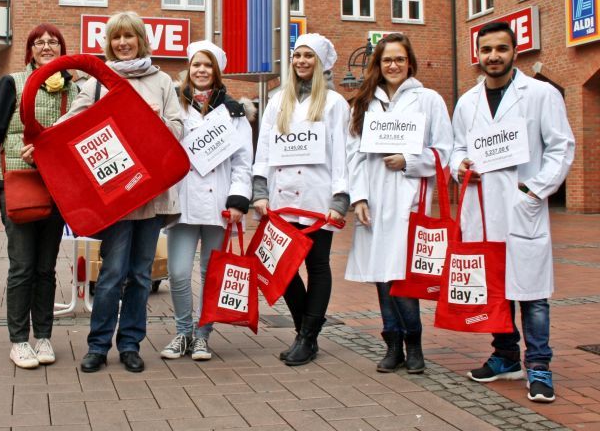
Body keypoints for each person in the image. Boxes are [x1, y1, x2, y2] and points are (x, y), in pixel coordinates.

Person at [451, 21, 574, 403]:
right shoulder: (467, 102)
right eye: (486, 50)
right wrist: (460, 166)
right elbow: (456, 148)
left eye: (501, 49)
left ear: (514, 51)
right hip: (483, 209)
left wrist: (534, 191)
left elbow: (561, 147)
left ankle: (538, 365)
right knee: (495, 289)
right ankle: (505, 357)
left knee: (533, 296)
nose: (493, 56)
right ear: (477, 55)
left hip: (522, 208)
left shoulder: (539, 94)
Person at [57, 11, 183, 373]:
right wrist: (44, 142)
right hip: (115, 195)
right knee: (111, 274)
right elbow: (71, 123)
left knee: (141, 275)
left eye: (129, 37)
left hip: (151, 194)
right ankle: (98, 346)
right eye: (116, 38)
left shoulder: (162, 81)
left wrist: (152, 122)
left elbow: (178, 127)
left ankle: (130, 344)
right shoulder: (97, 82)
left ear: (141, 40)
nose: (123, 43)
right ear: (109, 43)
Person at [344, 33, 453, 374]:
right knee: (382, 275)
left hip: (408, 199)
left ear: (410, 63)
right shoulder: (364, 103)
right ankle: (393, 344)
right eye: (387, 59)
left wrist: (407, 160)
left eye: (400, 59)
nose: (393, 65)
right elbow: (353, 156)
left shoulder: (429, 100)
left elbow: (444, 151)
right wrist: (358, 197)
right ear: (377, 64)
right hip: (374, 199)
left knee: (404, 276)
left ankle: (414, 343)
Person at [0, 23, 77, 369]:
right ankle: (19, 340)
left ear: (62, 50)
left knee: (46, 269)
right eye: (40, 42)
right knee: (22, 266)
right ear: (30, 50)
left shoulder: (74, 89)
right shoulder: (12, 83)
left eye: (54, 42)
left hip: (56, 188)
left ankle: (44, 336)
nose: (47, 47)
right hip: (17, 185)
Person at [252, 33, 350, 366]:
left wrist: (339, 200)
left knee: (317, 265)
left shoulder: (336, 104)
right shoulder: (278, 101)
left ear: (321, 62)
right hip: (282, 198)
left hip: (317, 197)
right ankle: (302, 331)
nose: (301, 61)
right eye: (297, 56)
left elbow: (343, 154)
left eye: (309, 56)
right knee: (285, 268)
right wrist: (260, 191)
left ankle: (307, 338)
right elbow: (263, 149)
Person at [160, 41, 253, 361]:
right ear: (189, 68)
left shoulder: (234, 111)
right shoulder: (174, 105)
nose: (201, 70)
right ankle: (183, 332)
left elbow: (243, 161)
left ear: (217, 71)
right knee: (179, 272)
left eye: (208, 65)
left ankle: (203, 335)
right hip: (182, 203)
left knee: (211, 272)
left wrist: (239, 200)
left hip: (219, 205)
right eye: (197, 64)